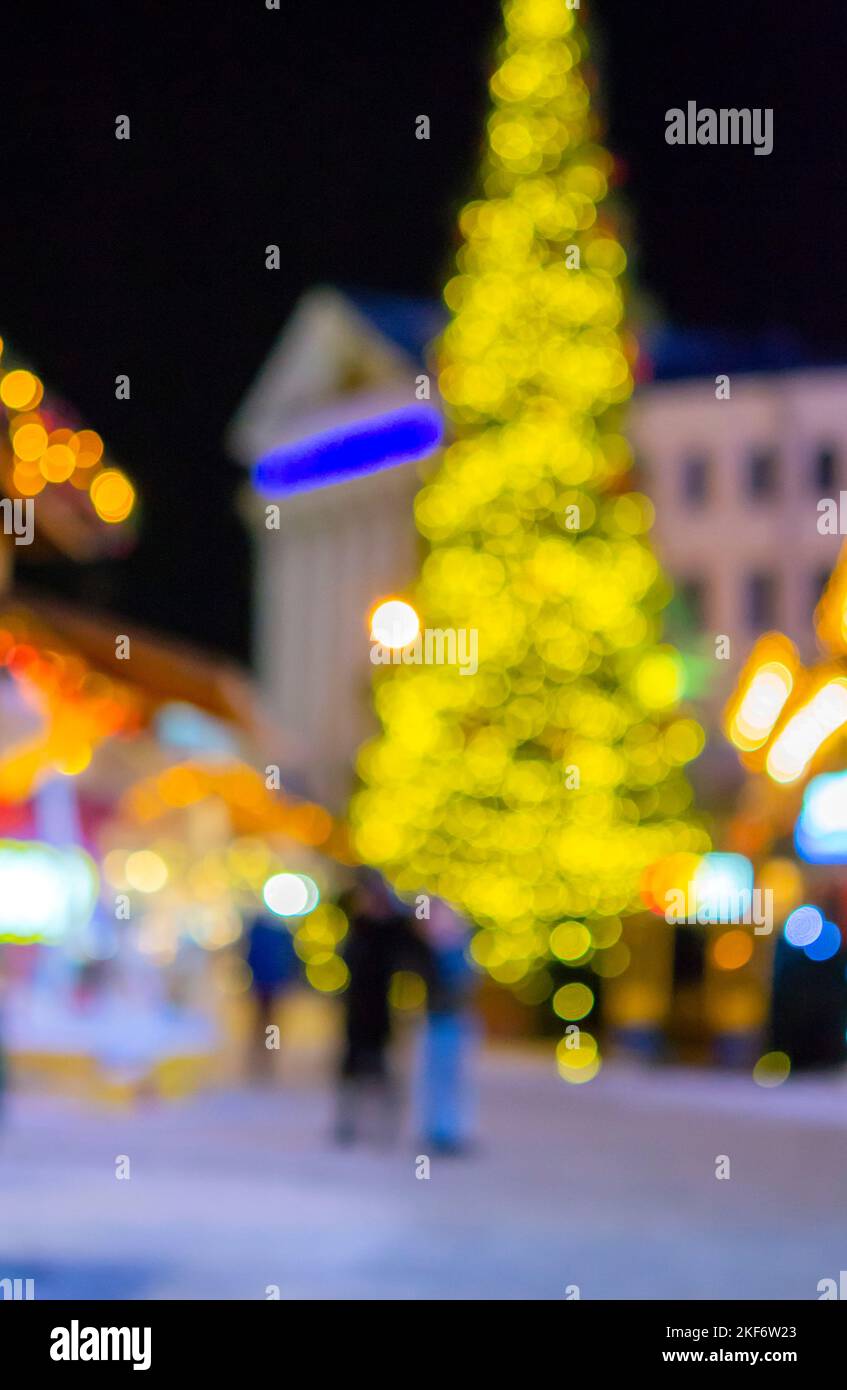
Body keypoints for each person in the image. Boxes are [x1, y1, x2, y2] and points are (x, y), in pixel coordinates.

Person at [335, 870, 430, 1145]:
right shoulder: (359, 924)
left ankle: (384, 1127)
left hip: (384, 1011)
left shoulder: (394, 928)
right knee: (352, 1069)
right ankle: (349, 1123)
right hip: (356, 1010)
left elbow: (415, 953)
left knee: (381, 1071)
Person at [416, 899, 478, 1155]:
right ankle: (437, 1129)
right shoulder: (428, 949)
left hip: (454, 1019)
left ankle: (451, 1130)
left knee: (453, 1077)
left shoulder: (456, 948)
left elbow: (464, 983)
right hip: (435, 1019)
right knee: (434, 1076)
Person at [244, 910, 299, 1079]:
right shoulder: (277, 933)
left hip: (268, 982)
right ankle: (265, 1053)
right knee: (266, 1021)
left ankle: (266, 1053)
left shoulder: (265, 932)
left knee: (267, 1021)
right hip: (268, 982)